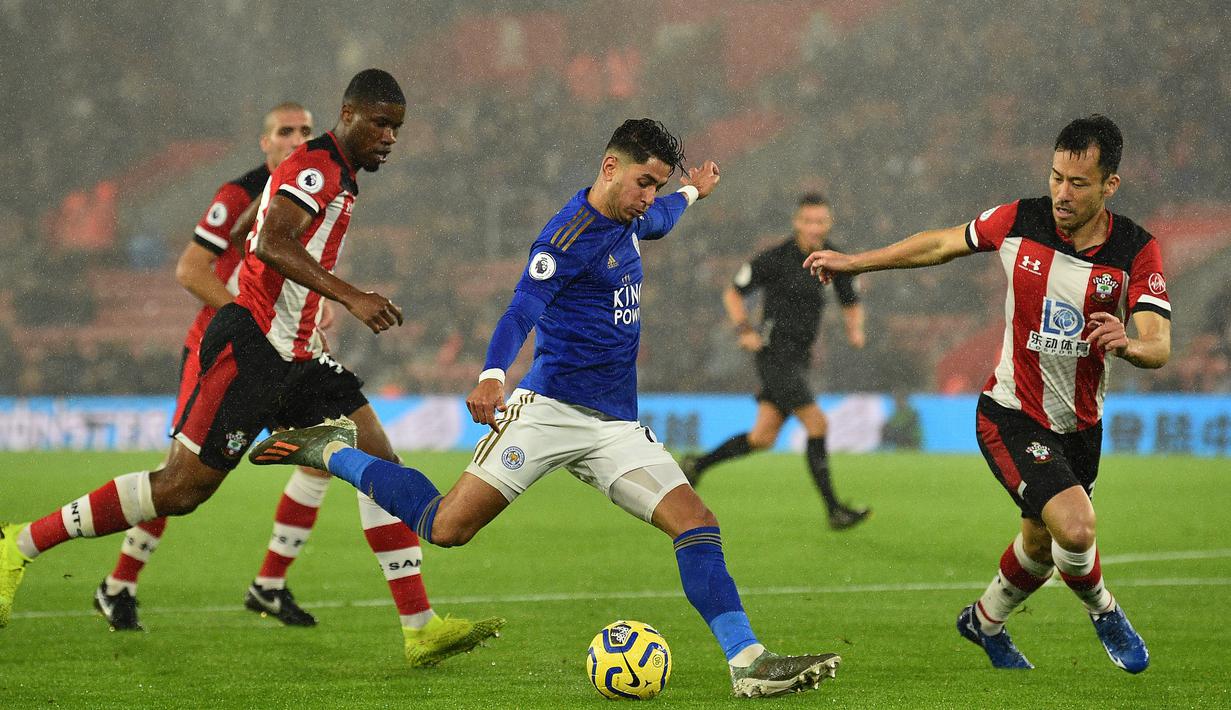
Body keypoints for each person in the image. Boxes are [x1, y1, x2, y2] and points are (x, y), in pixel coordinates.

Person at [250, 119, 843, 698]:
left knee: (697, 524)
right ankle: (333, 450)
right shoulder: (565, 237)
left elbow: (665, 216)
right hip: (547, 414)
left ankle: (748, 662)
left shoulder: (638, 216)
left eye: (657, 184)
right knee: (446, 527)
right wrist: (490, 376)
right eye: (643, 182)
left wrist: (693, 190)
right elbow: (519, 313)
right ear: (610, 167)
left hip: (615, 427)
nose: (649, 197)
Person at [1, 70, 503, 668]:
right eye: (381, 124)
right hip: (254, 351)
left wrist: (322, 308)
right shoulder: (316, 168)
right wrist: (350, 296)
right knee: (182, 490)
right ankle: (20, 543)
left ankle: (420, 629)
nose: (390, 138)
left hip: (300, 359)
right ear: (348, 114)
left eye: (397, 128)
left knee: (380, 463)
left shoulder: (338, 173)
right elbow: (269, 242)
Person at [805, 115, 1169, 673]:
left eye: (1077, 183)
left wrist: (1129, 344)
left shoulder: (1135, 251)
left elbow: (1159, 344)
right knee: (1076, 527)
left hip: (1081, 427)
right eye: (1055, 178)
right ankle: (1105, 610)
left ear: (1109, 186)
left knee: (1042, 547)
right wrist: (855, 262)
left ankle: (983, 621)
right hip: (1010, 413)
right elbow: (940, 244)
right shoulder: (1018, 220)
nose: (1061, 194)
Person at [680, 193, 870, 530]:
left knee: (761, 438)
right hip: (775, 356)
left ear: (829, 224)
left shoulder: (833, 258)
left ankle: (697, 465)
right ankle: (834, 510)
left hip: (799, 359)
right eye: (808, 221)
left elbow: (850, 299)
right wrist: (743, 330)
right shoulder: (776, 258)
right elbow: (733, 292)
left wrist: (855, 329)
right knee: (817, 424)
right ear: (797, 223)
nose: (814, 228)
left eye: (820, 222)